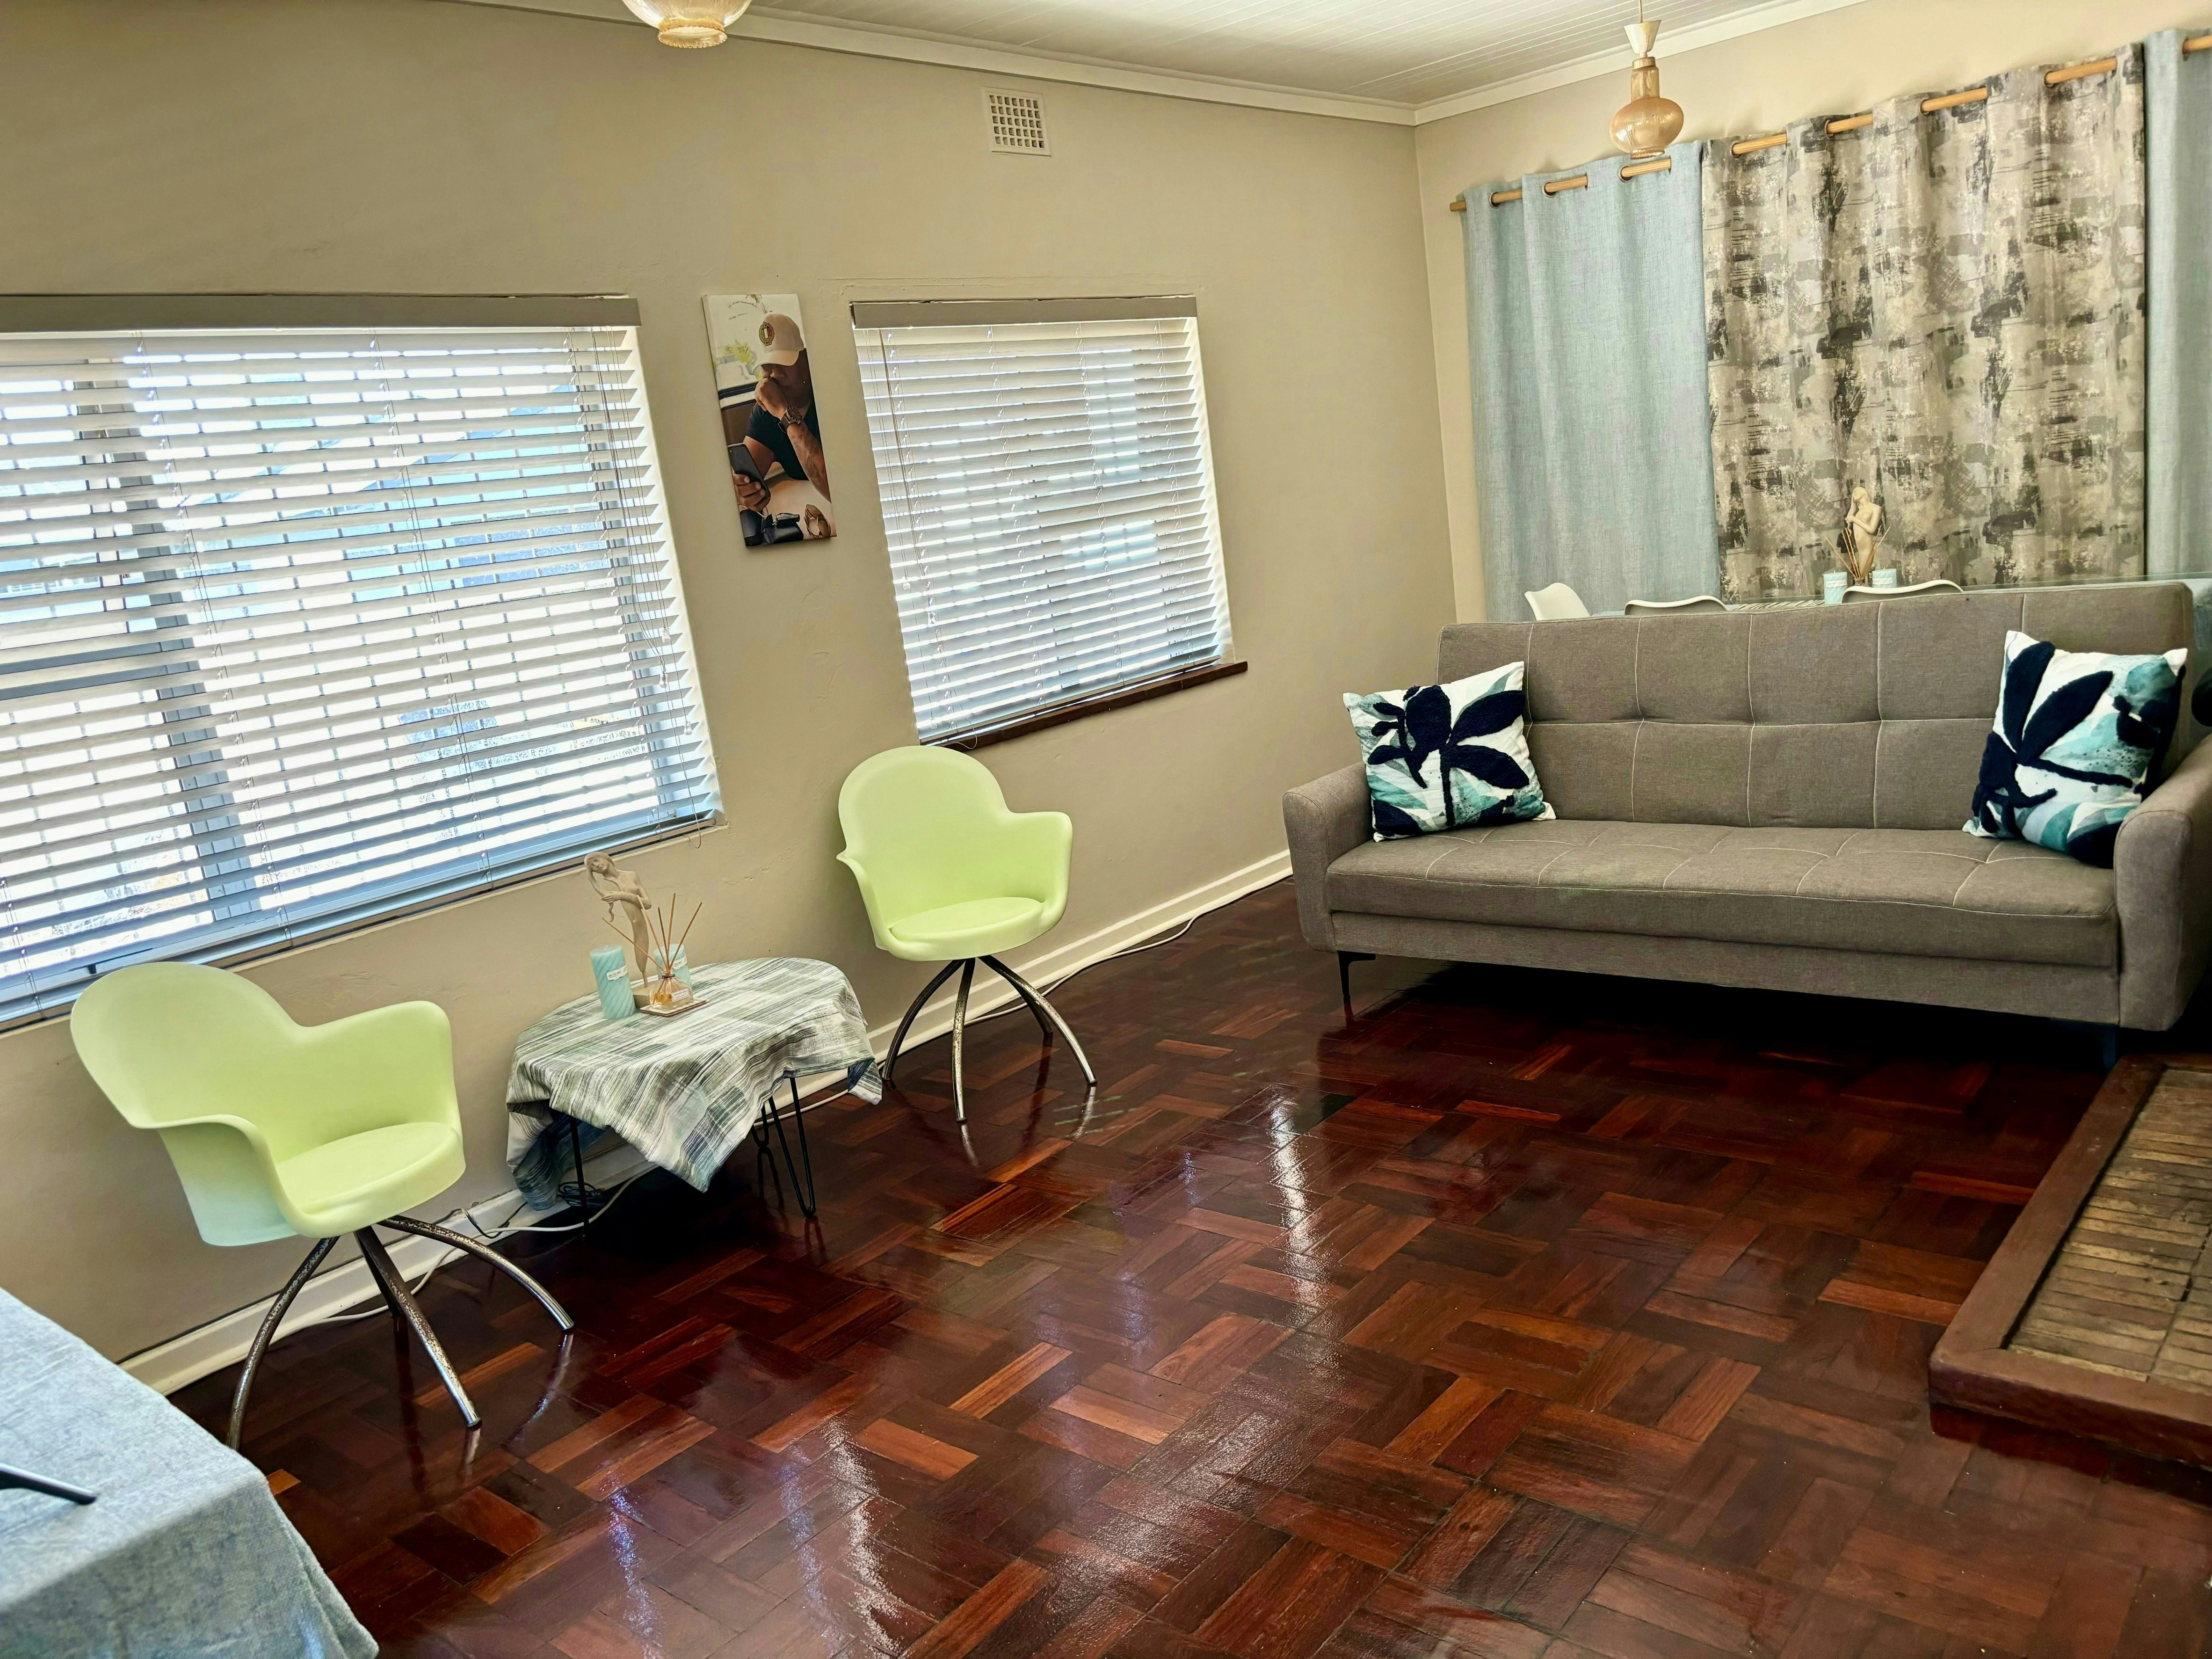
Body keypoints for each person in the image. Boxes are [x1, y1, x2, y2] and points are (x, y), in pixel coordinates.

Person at [730, 312, 828, 518]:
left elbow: (833, 486)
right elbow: (747, 477)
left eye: (784, 363)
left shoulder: (827, 398)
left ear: (805, 362)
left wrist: (785, 412)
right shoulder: (766, 412)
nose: (775, 374)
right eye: (767, 366)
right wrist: (742, 491)